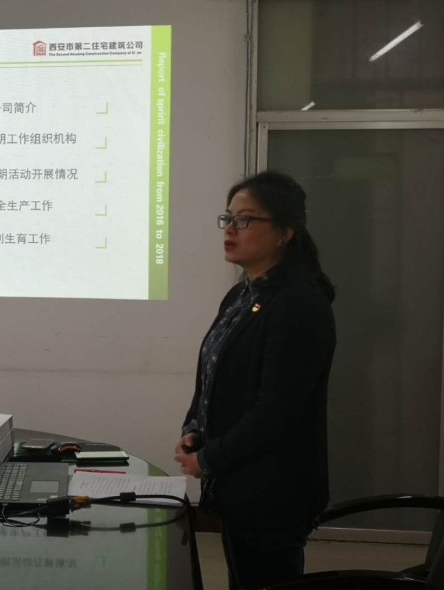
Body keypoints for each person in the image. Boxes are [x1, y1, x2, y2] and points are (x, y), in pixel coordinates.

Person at [174, 171, 336, 590]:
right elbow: (213, 374)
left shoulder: (299, 303)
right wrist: (195, 428)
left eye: (245, 220)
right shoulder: (242, 295)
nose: (230, 229)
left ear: (285, 232)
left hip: (273, 489)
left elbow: (277, 409)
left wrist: (209, 459)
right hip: (239, 484)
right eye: (228, 218)